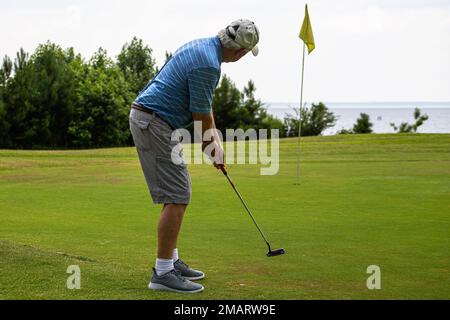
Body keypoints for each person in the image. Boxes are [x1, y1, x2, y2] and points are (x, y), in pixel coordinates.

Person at [129, 19, 260, 293]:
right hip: (154, 121)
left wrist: (215, 143)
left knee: (179, 191)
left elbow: (204, 108)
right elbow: (201, 121)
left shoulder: (203, 47)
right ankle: (162, 273)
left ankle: (171, 261)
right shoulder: (208, 66)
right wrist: (214, 151)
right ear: (239, 52)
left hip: (155, 120)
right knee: (178, 194)